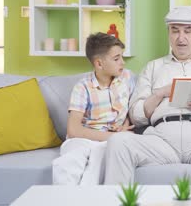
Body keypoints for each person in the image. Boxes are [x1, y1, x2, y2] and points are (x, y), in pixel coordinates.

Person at [104, 7, 191, 185]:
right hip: (161, 140)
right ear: (169, 34)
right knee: (119, 142)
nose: (181, 38)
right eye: (175, 31)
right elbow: (136, 115)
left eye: (188, 31)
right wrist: (160, 93)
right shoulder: (153, 67)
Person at [52, 32, 135, 185]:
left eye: (121, 57)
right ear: (99, 64)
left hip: (108, 144)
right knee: (67, 164)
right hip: (82, 140)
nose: (122, 62)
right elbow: (74, 130)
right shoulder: (83, 88)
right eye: (116, 59)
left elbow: (132, 106)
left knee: (95, 170)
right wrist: (112, 136)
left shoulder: (127, 78)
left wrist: (125, 125)